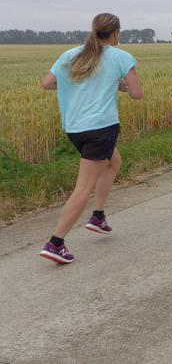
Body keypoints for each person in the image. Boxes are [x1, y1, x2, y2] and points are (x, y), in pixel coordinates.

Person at [39, 13, 143, 264]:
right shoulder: (121, 57)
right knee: (84, 186)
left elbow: (48, 83)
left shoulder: (70, 55)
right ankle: (56, 243)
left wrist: (80, 85)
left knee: (113, 161)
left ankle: (98, 217)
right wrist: (119, 85)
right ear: (116, 32)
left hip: (75, 128)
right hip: (101, 128)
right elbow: (137, 94)